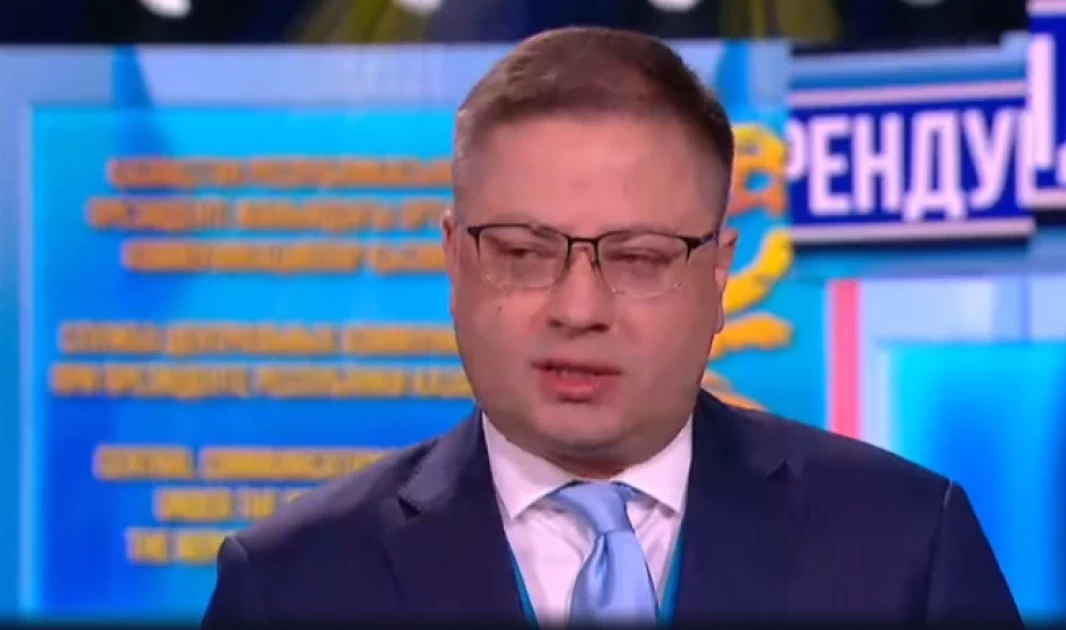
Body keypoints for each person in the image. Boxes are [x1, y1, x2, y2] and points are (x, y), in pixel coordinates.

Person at [201, 26, 1023, 626]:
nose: (579, 309)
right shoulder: (290, 586)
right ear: (455, 262)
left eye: (637, 257)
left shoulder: (905, 548)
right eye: (523, 253)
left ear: (718, 273)